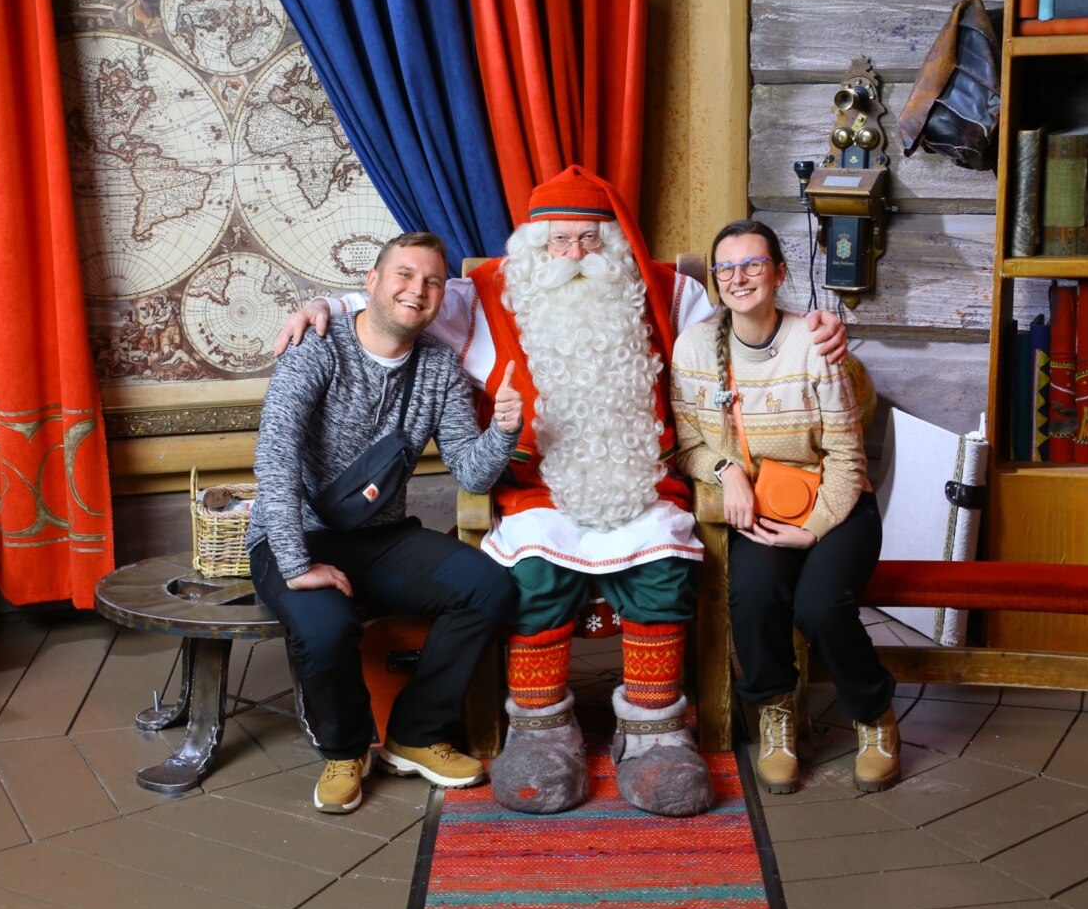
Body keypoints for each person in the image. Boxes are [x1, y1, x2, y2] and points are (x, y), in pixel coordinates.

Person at [277, 166, 849, 817]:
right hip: (537, 494)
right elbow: (402, 297)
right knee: (533, 574)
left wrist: (811, 327)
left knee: (662, 565)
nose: (575, 254)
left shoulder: (669, 292)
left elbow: (744, 330)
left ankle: (656, 736)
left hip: (643, 486)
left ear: (613, 242)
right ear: (534, 247)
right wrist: (327, 308)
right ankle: (542, 735)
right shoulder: (486, 295)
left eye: (588, 239)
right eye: (559, 240)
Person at [247, 231, 522, 815]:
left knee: (489, 587)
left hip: (379, 537)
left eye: (431, 282)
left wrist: (503, 430)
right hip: (295, 535)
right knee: (327, 628)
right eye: (404, 274)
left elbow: (471, 474)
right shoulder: (317, 347)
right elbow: (275, 455)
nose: (416, 289)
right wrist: (295, 564)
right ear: (371, 282)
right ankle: (346, 750)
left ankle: (416, 734)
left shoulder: (439, 367)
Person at [671, 219, 899, 795]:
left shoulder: (816, 343)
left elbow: (848, 459)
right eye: (727, 268)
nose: (739, 277)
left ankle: (873, 715)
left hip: (838, 505)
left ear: (779, 272)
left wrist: (815, 528)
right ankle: (777, 717)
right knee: (753, 596)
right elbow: (688, 445)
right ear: (716, 279)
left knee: (820, 607)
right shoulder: (693, 347)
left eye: (753, 264)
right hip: (763, 508)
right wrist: (727, 473)